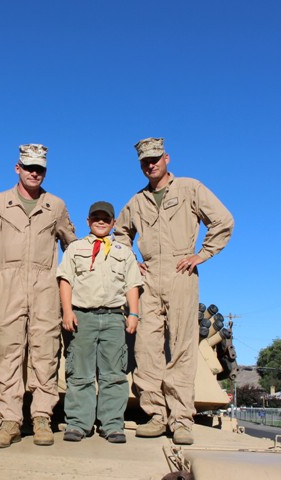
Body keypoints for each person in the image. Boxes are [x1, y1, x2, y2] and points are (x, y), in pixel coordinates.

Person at [115, 137, 234, 445]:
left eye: (155, 158)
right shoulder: (136, 201)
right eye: (145, 161)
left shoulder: (190, 189)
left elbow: (223, 221)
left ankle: (181, 418)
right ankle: (155, 414)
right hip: (150, 275)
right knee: (145, 347)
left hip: (182, 271)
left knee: (182, 347)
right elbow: (121, 233)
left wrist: (202, 255)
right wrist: (131, 261)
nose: (150, 164)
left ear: (166, 158)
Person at [0, 143, 76, 448]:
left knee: (45, 351)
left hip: (45, 285)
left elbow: (71, 245)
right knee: (6, 352)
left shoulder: (55, 205)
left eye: (40, 169)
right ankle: (9, 420)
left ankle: (42, 417)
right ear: (17, 168)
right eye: (29, 167)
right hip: (8, 284)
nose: (34, 173)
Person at [57, 201, 142, 444]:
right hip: (82, 316)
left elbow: (132, 284)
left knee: (114, 374)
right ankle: (78, 423)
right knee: (79, 372)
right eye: (96, 217)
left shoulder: (123, 252)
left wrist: (133, 314)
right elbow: (65, 280)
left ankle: (112, 425)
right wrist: (67, 311)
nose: (101, 221)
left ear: (114, 223)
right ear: (88, 221)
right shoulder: (75, 249)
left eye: (106, 218)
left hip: (115, 317)